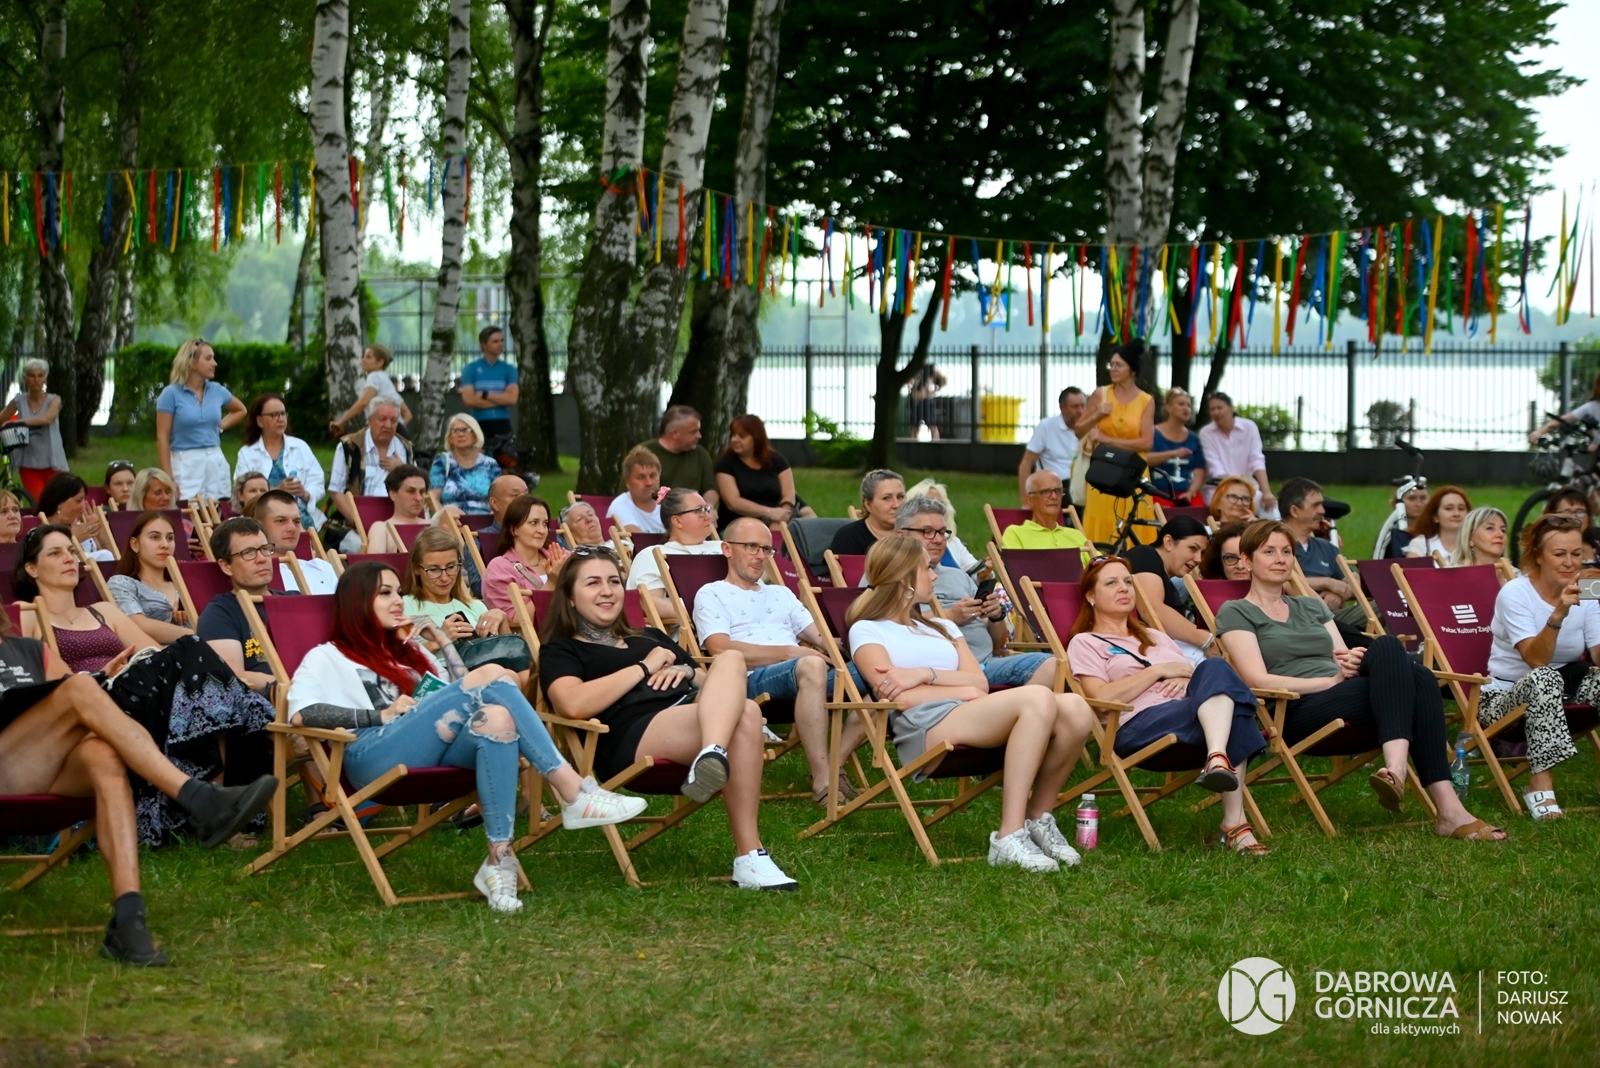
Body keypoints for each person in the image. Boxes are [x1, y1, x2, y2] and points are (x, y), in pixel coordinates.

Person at [287, 560, 646, 913]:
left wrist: (441, 639)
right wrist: (378, 714)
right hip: (372, 755)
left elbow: (461, 688)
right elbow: (302, 713)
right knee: (493, 673)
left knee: (498, 718)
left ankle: (499, 863)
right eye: (385, 593)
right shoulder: (327, 656)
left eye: (398, 592)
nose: (398, 600)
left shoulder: (411, 652)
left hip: (430, 752)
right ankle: (573, 790)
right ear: (356, 602)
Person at [0, 620, 277, 963]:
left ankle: (128, 922)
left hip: (43, 767)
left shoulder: (31, 651)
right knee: (79, 690)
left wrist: (101, 678)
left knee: (102, 754)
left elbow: (69, 701)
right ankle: (198, 798)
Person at [1217, 520, 1505, 840]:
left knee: (1401, 659)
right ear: (1246, 560)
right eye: (1269, 552)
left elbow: (1340, 656)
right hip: (1295, 709)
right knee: (1419, 678)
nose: (1280, 559)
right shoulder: (1236, 611)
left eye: (1286, 551)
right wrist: (1329, 682)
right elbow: (1256, 679)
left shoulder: (1311, 606)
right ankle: (1439, 803)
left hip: (1344, 696)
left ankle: (1409, 781)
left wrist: (1351, 662)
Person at [539, 545, 800, 890]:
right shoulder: (561, 649)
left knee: (732, 663)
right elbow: (571, 705)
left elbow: (711, 682)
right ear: (571, 598)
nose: (607, 591)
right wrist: (644, 666)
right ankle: (749, 854)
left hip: (692, 713)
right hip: (630, 733)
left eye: (614, 581)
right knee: (748, 714)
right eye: (593, 583)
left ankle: (712, 755)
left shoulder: (649, 636)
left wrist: (685, 671)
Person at [16, 524, 275, 845]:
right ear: (32, 568)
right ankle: (252, 730)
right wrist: (101, 676)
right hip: (87, 706)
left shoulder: (103, 611)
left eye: (71, 551)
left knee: (193, 664)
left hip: (133, 696)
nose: (69, 558)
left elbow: (152, 653)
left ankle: (215, 806)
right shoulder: (28, 616)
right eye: (55, 553)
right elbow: (35, 687)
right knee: (193, 659)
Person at [847, 536, 1094, 872]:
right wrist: (963, 690)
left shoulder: (944, 627)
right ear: (904, 578)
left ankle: (1038, 817)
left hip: (967, 714)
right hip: (925, 726)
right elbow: (898, 697)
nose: (934, 575)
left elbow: (979, 682)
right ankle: (1009, 834)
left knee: (1076, 708)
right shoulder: (867, 630)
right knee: (1037, 697)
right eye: (927, 568)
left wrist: (924, 674)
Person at [1067, 556, 1270, 855]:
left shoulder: (1156, 636)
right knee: (1237, 708)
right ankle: (1234, 825)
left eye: (1127, 582)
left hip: (1191, 715)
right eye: (1111, 583)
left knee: (1217, 668)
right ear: (1091, 596)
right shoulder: (1086, 642)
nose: (1124, 588)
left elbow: (1193, 672)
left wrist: (1187, 680)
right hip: (1138, 725)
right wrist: (1158, 671)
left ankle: (1217, 759)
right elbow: (1100, 698)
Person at [693, 517, 866, 803]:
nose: (761, 556)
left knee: (879, 671)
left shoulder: (781, 593)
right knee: (811, 664)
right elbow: (720, 649)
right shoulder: (712, 593)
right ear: (727, 549)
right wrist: (792, 653)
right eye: (751, 547)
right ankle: (823, 780)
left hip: (804, 673)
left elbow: (823, 638)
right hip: (751, 679)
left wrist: (868, 642)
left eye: (767, 549)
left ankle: (834, 763)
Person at [1481, 514, 1600, 821]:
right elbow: (1536, 660)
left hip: (1566, 692)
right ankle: (1539, 783)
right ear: (1537, 556)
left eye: (1577, 554)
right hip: (1503, 702)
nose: (1570, 562)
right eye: (1559, 554)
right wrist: (1558, 613)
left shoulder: (1587, 591)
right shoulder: (1515, 594)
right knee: (1544, 677)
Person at [898, 497, 1057, 689]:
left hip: (987, 664)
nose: (938, 540)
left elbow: (997, 644)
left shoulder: (959, 576)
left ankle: (1007, 706)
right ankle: (1010, 705)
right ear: (901, 535)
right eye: (927, 532)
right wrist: (950, 616)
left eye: (942, 532)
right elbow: (890, 623)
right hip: (941, 671)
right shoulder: (891, 576)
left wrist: (996, 616)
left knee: (1052, 665)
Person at [1076, 343, 1156, 548]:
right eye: (1111, 364)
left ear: (1133, 370)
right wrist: (1097, 415)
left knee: (1132, 520)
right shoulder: (1100, 394)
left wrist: (1107, 439)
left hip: (1132, 470)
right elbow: (1079, 430)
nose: (1113, 369)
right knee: (1101, 519)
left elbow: (1146, 442)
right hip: (1103, 469)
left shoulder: (1146, 401)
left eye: (1119, 365)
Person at [197, 518, 286, 694]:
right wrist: (297, 687)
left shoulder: (294, 601)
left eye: (265, 549)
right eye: (248, 553)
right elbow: (233, 676)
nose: (261, 559)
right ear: (226, 566)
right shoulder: (219, 614)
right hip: (272, 700)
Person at [155, 339, 247, 501]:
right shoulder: (170, 394)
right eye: (208, 358)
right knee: (189, 509)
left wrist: (220, 426)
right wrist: (169, 477)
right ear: (192, 362)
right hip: (185, 463)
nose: (215, 363)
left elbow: (241, 410)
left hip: (215, 459)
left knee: (220, 507)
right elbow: (163, 437)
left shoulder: (217, 390)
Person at [1279, 476, 1370, 637]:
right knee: (1387, 609)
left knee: (1390, 605)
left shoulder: (1326, 547)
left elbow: (1355, 581)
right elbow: (1281, 581)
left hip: (1332, 616)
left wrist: (1336, 593)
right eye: (1316, 505)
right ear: (1295, 511)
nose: (1323, 511)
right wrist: (1328, 583)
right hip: (1295, 618)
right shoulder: (1274, 544)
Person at [1122, 514, 1215, 660]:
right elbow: (1152, 609)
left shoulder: (1167, 580)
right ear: (1168, 542)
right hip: (1139, 650)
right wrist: (1206, 640)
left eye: (1202, 553)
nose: (1198, 559)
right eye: (1193, 548)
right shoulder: (1144, 554)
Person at [623, 488, 723, 623]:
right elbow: (647, 601)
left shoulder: (723, 547)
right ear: (677, 521)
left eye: (707, 509)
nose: (709, 516)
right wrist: (705, 613)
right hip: (693, 628)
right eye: (699, 510)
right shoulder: (652, 555)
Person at [327, 395, 413, 552]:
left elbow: (417, 488)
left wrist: (402, 469)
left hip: (396, 522)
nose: (388, 425)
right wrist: (358, 523)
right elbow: (336, 491)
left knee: (407, 546)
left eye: (394, 420)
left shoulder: (405, 448)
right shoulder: (349, 447)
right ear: (370, 420)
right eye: (382, 419)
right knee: (361, 546)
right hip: (354, 524)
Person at [235, 392, 326, 532]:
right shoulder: (247, 453)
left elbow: (318, 482)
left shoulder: (300, 447)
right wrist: (278, 490)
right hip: (261, 518)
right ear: (260, 421)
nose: (281, 419)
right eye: (274, 415)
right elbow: (242, 492)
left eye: (283, 414)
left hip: (300, 517)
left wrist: (305, 493)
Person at [403, 527, 510, 638]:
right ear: (416, 568)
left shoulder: (476, 606)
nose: (444, 578)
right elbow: (400, 649)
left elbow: (508, 648)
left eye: (451, 567)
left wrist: (502, 619)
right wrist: (440, 639)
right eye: (434, 569)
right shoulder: (404, 607)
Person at [714, 413, 814, 530]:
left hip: (779, 511)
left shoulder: (777, 460)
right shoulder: (726, 464)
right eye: (733, 435)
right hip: (744, 518)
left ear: (757, 437)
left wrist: (782, 514)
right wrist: (769, 512)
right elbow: (733, 502)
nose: (735, 440)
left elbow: (789, 494)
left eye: (742, 436)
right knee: (775, 528)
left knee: (808, 515)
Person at [106, 511, 192, 644]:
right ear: (135, 544)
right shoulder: (121, 583)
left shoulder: (186, 583)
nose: (165, 544)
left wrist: (192, 612)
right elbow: (137, 625)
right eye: (155, 537)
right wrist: (199, 634)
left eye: (170, 538)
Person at [481, 495, 570, 612]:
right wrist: (551, 583)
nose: (542, 530)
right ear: (514, 529)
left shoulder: (562, 557)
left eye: (545, 523)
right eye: (533, 523)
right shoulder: (500, 569)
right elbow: (514, 619)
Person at [0, 357, 68, 502]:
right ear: (25, 379)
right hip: (28, 462)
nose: (36, 380)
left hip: (52, 460)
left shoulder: (54, 400)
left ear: (45, 379)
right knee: (38, 502)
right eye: (31, 376)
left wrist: (19, 422)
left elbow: (47, 419)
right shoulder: (19, 400)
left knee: (57, 502)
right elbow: (2, 418)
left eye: (40, 375)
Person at [629, 404, 719, 511]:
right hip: (651, 516)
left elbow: (710, 489)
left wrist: (708, 507)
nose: (699, 436)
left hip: (693, 516)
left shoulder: (700, 454)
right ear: (675, 433)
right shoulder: (642, 454)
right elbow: (629, 493)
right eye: (693, 432)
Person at [1198, 392, 1276, 515]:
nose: (1216, 412)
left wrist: (1266, 492)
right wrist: (1238, 486)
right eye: (1212, 409)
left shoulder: (1249, 427)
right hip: (1218, 489)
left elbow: (1256, 460)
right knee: (1229, 504)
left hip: (1248, 488)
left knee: (1269, 507)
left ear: (1231, 408)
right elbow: (1215, 468)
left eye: (1220, 408)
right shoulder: (1206, 433)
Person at [254, 489, 339, 594]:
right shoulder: (256, 574)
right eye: (281, 520)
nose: (292, 528)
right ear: (259, 526)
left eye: (296, 521)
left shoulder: (322, 567)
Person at [1018, 386, 1087, 507]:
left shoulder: (1090, 428)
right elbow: (1026, 464)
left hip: (1082, 485)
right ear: (1062, 407)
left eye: (1083, 406)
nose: (1080, 411)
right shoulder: (1046, 426)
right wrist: (1025, 502)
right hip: (1054, 487)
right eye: (1075, 407)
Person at [328, 345, 413, 438]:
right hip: (398, 433)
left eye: (368, 357)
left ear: (380, 362)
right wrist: (394, 430)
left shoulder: (374, 376)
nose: (363, 360)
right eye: (364, 356)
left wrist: (341, 422)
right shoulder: (385, 380)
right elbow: (408, 415)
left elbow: (363, 402)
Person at [457, 326, 520, 453]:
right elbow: (469, 400)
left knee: (505, 460)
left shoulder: (509, 369)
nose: (500, 344)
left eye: (502, 341)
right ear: (484, 345)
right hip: (479, 423)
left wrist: (485, 395)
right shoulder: (471, 369)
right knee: (479, 460)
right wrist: (501, 399)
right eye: (495, 341)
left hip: (502, 423)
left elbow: (512, 399)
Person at [428, 412, 501, 517]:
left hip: (485, 521)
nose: (461, 434)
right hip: (451, 521)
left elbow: (499, 500)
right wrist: (446, 518)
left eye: (466, 430)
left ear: (475, 435)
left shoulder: (490, 464)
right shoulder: (442, 461)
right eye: (456, 431)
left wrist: (491, 520)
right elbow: (433, 498)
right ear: (450, 438)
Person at [1002, 470, 1092, 551]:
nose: (1054, 496)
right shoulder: (1016, 534)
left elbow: (1097, 561)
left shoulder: (1076, 535)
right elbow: (1016, 564)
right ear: (1031, 500)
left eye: (1058, 491)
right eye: (1046, 491)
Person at [1147, 388, 1207, 503]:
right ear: (1168, 408)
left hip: (1187, 494)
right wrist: (1173, 453)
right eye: (1181, 404)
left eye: (1189, 405)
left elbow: (1199, 471)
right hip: (1158, 493)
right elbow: (1145, 459)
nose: (1186, 408)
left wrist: (1190, 493)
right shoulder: (1152, 433)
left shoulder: (1194, 439)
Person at [904, 478, 979, 570]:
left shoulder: (952, 540)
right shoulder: (904, 544)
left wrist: (983, 571)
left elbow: (976, 569)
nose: (938, 540)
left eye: (940, 503)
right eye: (927, 531)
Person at [828, 469, 906, 556]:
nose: (897, 505)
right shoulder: (850, 537)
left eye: (900, 497)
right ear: (868, 505)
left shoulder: (914, 531)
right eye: (886, 498)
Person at [37, 472, 112, 560]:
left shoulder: (82, 528)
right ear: (59, 502)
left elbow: (109, 560)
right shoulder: (42, 530)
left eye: (84, 499)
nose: (84, 505)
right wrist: (72, 539)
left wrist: (98, 533)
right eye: (78, 501)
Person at [362, 464, 433, 554]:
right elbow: (375, 561)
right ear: (393, 494)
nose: (418, 498)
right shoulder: (382, 528)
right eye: (411, 491)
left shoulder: (434, 525)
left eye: (422, 492)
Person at [1403, 485, 1471, 559]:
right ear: (1436, 516)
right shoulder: (1421, 545)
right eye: (1449, 509)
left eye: (1461, 509)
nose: (1456, 514)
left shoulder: (1475, 545)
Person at [609, 446, 665, 534]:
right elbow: (637, 539)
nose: (649, 483)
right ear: (628, 482)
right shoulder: (620, 506)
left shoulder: (670, 503)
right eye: (640, 477)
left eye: (652, 476)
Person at [1378, 480, 1432, 558]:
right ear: (1397, 503)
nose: (1418, 504)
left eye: (1423, 498)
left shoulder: (1437, 530)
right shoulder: (1390, 534)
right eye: (1412, 498)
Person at [1541, 488, 1600, 558]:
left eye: (1580, 512)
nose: (1574, 517)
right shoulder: (1545, 547)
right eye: (1567, 512)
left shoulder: (1597, 537)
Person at [907, 361, 947, 437]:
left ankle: (936, 444)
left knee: (932, 426)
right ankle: (913, 444)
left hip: (927, 400)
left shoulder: (931, 368)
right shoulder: (914, 369)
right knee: (914, 427)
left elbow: (944, 380)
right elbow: (909, 382)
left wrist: (934, 391)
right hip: (915, 400)